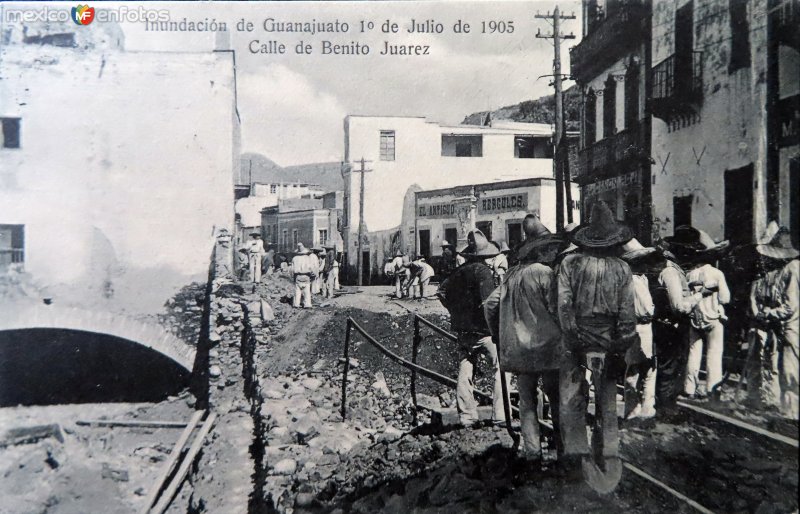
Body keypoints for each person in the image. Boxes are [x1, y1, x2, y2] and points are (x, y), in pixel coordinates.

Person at [557, 201, 638, 470]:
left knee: (572, 395)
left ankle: (576, 453)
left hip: (576, 338)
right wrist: (620, 346)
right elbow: (628, 315)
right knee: (608, 397)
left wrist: (572, 338)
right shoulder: (622, 269)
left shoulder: (569, 264)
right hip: (609, 338)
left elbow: (564, 305)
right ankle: (610, 451)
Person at [484, 230, 572, 461]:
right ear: (540, 251)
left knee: (527, 402)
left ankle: (533, 453)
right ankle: (564, 452)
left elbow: (490, 306)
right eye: (550, 249)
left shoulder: (511, 275)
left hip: (520, 351)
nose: (553, 252)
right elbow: (558, 309)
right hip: (549, 348)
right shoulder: (545, 273)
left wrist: (498, 334)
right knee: (556, 399)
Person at [438, 230, 507, 425]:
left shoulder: (458, 272)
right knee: (501, 368)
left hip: (463, 330)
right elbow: (489, 303)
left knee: (465, 368)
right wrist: (495, 326)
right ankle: (500, 414)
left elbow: (441, 292)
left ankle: (467, 416)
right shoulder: (483, 272)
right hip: (484, 331)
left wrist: (455, 312)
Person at [666, 226, 730, 399]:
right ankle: (712, 388)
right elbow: (725, 298)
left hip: (695, 317)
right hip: (713, 317)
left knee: (694, 353)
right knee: (714, 353)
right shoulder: (717, 273)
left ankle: (689, 388)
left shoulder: (689, 275)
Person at [748, 223, 799, 419]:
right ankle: (773, 404)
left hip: (788, 324)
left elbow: (789, 305)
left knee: (787, 369)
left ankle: (789, 414)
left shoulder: (792, 270)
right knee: (769, 362)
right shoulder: (767, 273)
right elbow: (755, 297)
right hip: (774, 324)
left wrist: (769, 313)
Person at [621, 238, 658, 420]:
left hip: (636, 327)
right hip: (641, 327)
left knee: (636, 368)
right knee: (644, 369)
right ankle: (641, 409)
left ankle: (635, 409)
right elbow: (647, 309)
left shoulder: (639, 279)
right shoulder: (635, 281)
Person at [291, 243, 316, 308]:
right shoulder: (308, 258)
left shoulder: (294, 258)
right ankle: (307, 304)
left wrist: (292, 276)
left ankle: (296, 303)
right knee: (307, 291)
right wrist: (312, 274)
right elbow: (311, 268)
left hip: (298, 276)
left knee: (297, 291)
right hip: (306, 275)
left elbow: (292, 269)